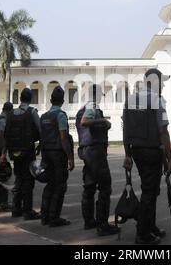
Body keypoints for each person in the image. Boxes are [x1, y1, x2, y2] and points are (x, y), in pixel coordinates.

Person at [123, 69, 171, 245]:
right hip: (152, 151)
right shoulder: (158, 100)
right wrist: (169, 158)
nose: (164, 85)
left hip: (136, 151)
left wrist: (128, 155)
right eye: (162, 82)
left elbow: (125, 129)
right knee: (149, 193)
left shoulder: (130, 99)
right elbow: (163, 131)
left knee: (151, 190)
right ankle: (143, 235)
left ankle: (150, 227)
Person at [76, 84, 119, 236]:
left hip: (87, 151)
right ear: (97, 95)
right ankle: (102, 225)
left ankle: (89, 221)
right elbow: (85, 121)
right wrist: (103, 121)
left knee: (89, 186)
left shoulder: (82, 107)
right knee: (105, 186)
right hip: (95, 151)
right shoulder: (92, 106)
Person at [39, 86, 75, 227]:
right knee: (59, 186)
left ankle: (44, 216)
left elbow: (42, 137)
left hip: (46, 153)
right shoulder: (60, 115)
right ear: (62, 101)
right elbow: (63, 138)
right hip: (58, 154)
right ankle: (54, 218)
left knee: (49, 184)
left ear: (50, 100)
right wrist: (70, 158)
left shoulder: (43, 116)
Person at [5, 88, 41, 220]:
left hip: (14, 151)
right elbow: (40, 129)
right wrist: (40, 146)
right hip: (28, 150)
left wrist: (5, 152)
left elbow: (6, 133)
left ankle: (16, 208)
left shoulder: (12, 113)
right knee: (28, 180)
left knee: (18, 178)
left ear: (20, 98)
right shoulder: (32, 112)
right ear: (30, 98)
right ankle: (27, 210)